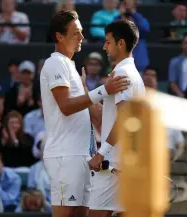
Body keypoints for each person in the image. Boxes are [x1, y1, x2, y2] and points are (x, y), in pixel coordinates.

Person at [40, 10, 130, 217]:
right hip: (66, 156)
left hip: (82, 156)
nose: (82, 37)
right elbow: (66, 106)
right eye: (75, 33)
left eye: (81, 32)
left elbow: (91, 113)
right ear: (59, 36)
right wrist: (104, 90)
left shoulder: (71, 67)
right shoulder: (55, 63)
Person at [88, 20, 145, 217]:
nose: (104, 47)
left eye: (108, 42)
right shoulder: (133, 73)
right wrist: (86, 95)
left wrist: (101, 154)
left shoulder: (123, 72)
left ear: (120, 43)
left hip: (114, 162)